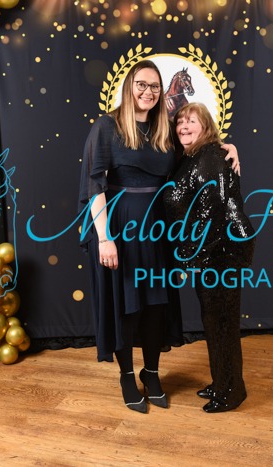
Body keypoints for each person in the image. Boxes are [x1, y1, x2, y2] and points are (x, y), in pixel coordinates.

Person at [78, 60, 239, 413]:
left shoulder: (164, 128)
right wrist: (104, 238)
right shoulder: (107, 127)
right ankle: (126, 376)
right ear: (129, 86)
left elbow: (197, 149)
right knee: (126, 307)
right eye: (141, 84)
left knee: (155, 307)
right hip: (119, 228)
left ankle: (151, 373)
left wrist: (227, 147)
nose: (148, 92)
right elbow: (95, 186)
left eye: (154, 86)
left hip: (158, 230)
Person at [163, 102, 255, 413]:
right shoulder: (191, 157)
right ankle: (222, 381)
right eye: (180, 123)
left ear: (206, 127)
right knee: (214, 321)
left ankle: (233, 390)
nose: (184, 127)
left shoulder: (211, 156)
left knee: (223, 322)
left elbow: (213, 210)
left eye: (191, 121)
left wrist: (193, 254)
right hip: (209, 251)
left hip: (222, 250)